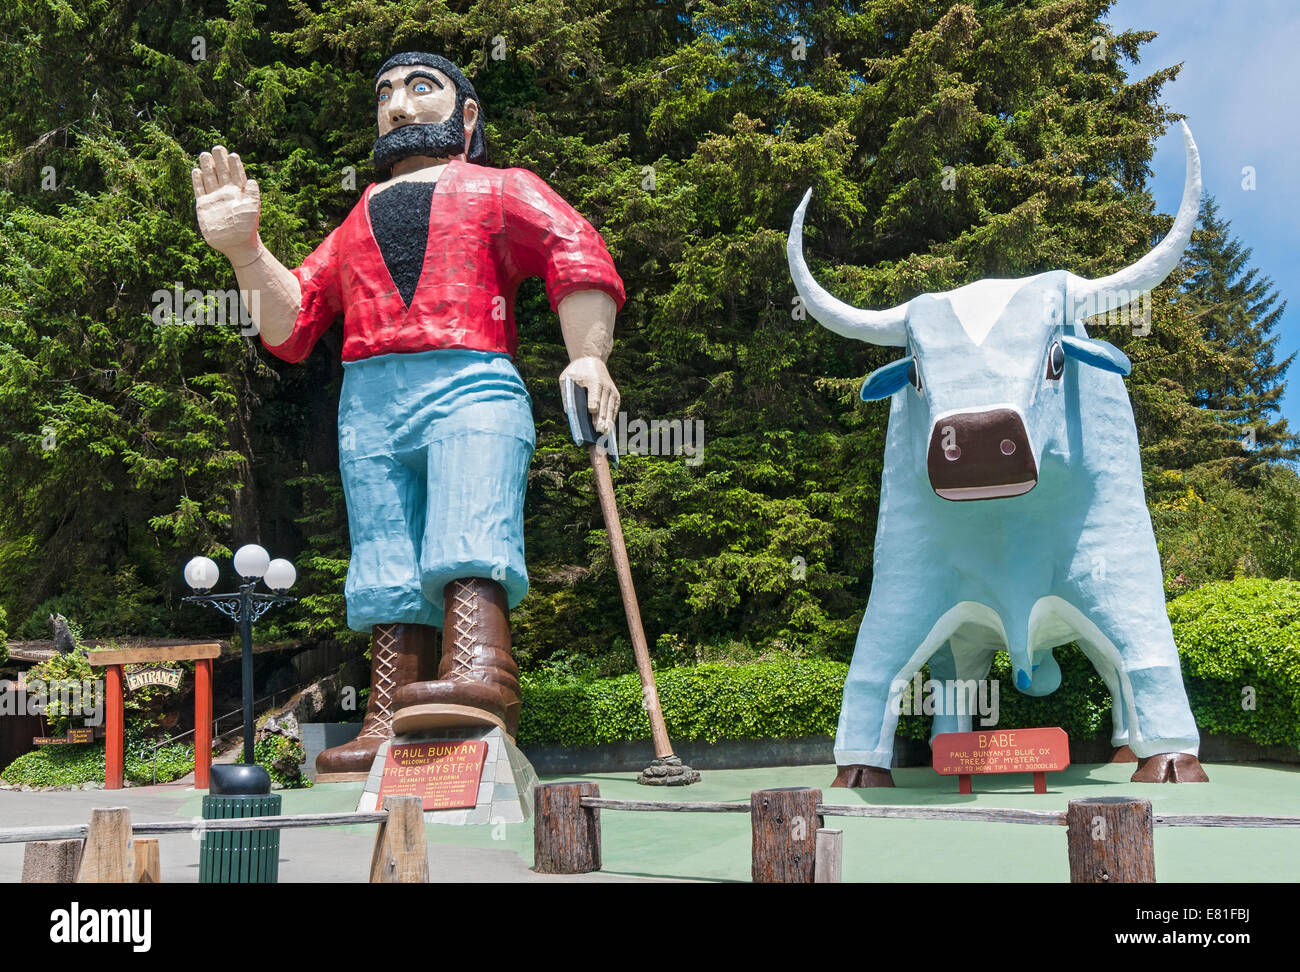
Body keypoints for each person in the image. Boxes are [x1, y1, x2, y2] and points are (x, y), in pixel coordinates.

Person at [192, 52, 625, 781]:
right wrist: (245, 252)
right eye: (385, 92)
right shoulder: (356, 218)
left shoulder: (501, 189)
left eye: (421, 88)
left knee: (469, 521)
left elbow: (573, 251)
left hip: (471, 377)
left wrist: (588, 356)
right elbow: (292, 323)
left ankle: (483, 672)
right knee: (385, 555)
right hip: (369, 399)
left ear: (469, 114)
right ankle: (389, 707)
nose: (396, 104)